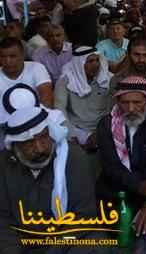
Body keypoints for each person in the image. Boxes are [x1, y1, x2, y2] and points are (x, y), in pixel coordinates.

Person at [0, 106, 109, 253]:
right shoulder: (5, 164)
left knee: (95, 245)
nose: (39, 148)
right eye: (29, 143)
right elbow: (3, 218)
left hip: (66, 240)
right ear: (15, 146)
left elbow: (83, 216)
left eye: (43, 137)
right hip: (21, 241)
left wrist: (54, 250)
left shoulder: (74, 158)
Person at [97, 76, 146, 253]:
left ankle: (145, 238)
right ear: (117, 101)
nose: (131, 109)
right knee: (114, 228)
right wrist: (140, 186)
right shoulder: (106, 125)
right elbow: (111, 167)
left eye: (137, 102)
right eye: (125, 103)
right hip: (121, 187)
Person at [55, 46, 112, 151]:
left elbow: (112, 110)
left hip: (103, 129)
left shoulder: (108, 79)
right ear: (79, 64)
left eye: (97, 60)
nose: (95, 65)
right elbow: (59, 110)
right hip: (76, 130)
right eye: (90, 61)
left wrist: (101, 132)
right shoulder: (66, 81)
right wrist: (72, 135)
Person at [0, 38, 53, 124]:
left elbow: (47, 99)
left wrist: (34, 123)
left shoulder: (36, 68)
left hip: (37, 120)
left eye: (12, 56)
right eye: (3, 57)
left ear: (22, 55)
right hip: (5, 124)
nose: (7, 61)